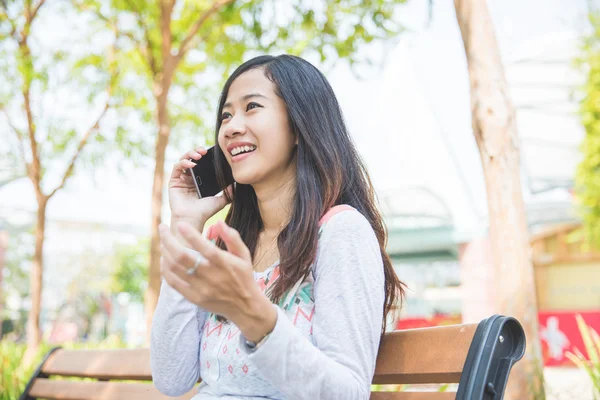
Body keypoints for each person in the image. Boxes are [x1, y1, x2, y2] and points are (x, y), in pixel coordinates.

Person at [151, 54, 406, 400]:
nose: (231, 126)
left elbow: (348, 393)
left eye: (251, 107)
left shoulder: (341, 233)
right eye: (226, 115)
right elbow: (171, 378)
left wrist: (257, 320)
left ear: (299, 126)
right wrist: (186, 225)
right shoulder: (230, 246)